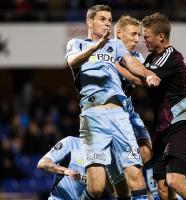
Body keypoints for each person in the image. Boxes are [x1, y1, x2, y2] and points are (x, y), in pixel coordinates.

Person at [65, 4, 160, 200]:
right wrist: (95, 48)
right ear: (89, 22)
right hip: (92, 118)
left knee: (135, 172)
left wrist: (148, 74)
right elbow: (72, 62)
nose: (107, 23)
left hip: (119, 115)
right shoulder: (76, 43)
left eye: (109, 20)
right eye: (102, 19)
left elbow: (132, 63)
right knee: (97, 187)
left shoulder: (115, 45)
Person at [142, 12, 186, 200]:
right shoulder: (151, 59)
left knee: (174, 181)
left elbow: (141, 76)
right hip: (162, 130)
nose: (143, 40)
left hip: (181, 125)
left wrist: (119, 61)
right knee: (162, 189)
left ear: (161, 36)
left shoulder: (171, 57)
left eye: (147, 37)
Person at [114, 15, 160, 200]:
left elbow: (139, 80)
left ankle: (154, 196)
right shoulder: (106, 52)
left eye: (139, 34)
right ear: (119, 34)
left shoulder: (136, 56)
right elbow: (136, 78)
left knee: (147, 151)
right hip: (109, 116)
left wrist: (120, 68)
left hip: (128, 111)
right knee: (119, 173)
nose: (137, 39)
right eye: (133, 34)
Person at [37, 136, 130, 200]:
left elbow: (112, 190)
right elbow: (42, 163)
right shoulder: (71, 142)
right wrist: (65, 170)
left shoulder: (106, 155)